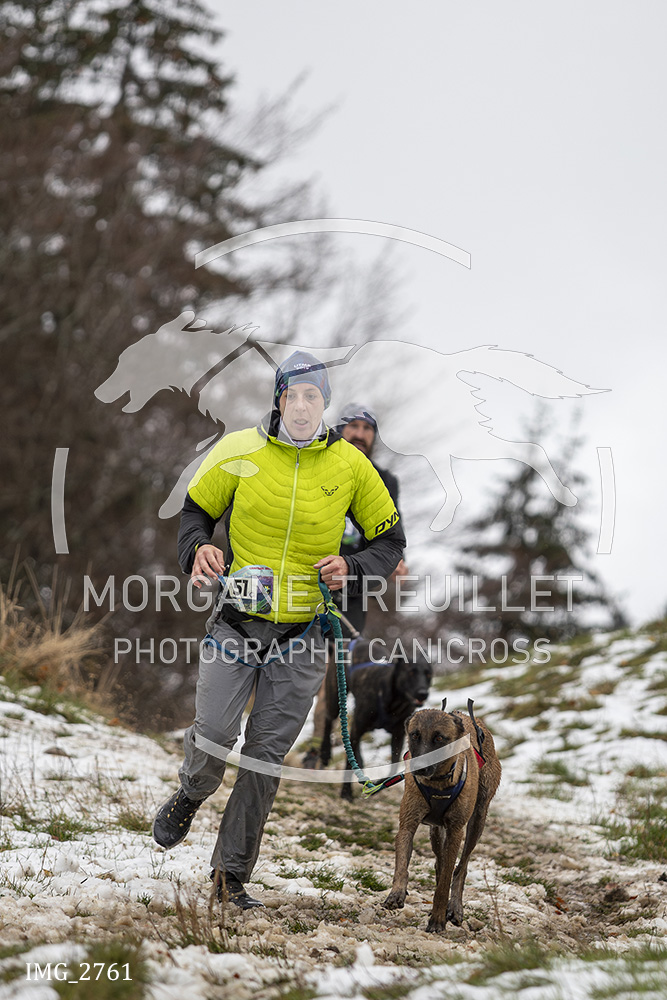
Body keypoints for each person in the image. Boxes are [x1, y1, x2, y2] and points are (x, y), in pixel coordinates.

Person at [152, 351, 405, 908]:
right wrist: (198, 550)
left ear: (325, 404)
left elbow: (390, 542)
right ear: (279, 399)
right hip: (237, 624)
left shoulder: (351, 467)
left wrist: (353, 567)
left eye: (314, 396)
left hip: (304, 635)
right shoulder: (238, 449)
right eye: (294, 394)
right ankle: (191, 793)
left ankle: (230, 876)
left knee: (264, 757)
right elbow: (195, 512)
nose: (302, 405)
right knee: (214, 736)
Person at [301, 402, 408, 767]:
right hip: (306, 576)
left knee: (335, 669)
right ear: (339, 430)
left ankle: (318, 747)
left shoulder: (385, 480)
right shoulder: (317, 462)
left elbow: (389, 532)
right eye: (354, 426)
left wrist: (395, 561)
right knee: (294, 658)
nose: (360, 434)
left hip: (352, 586)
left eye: (367, 429)